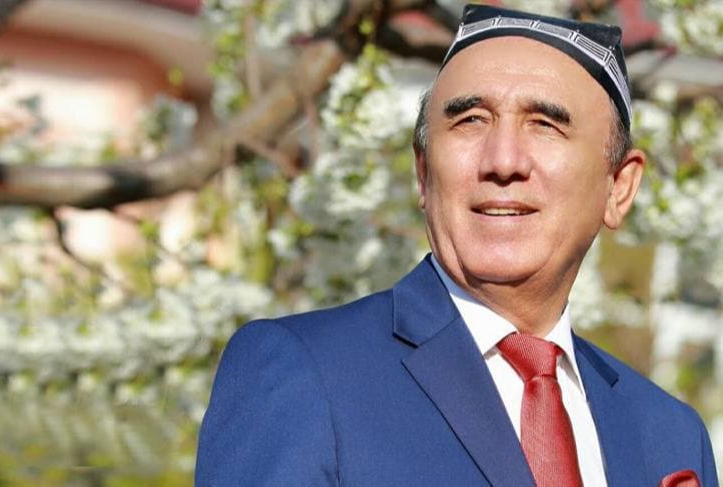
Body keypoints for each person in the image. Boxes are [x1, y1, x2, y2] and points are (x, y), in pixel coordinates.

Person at [195, 4, 718, 486]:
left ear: (619, 187)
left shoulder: (668, 434)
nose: (503, 161)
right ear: (423, 173)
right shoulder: (308, 373)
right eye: (470, 121)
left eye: (545, 125)